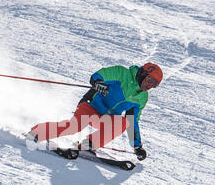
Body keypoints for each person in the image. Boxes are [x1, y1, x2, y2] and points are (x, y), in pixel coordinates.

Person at [25, 63, 163, 161]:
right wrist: (98, 83)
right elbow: (98, 75)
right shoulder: (122, 74)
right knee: (74, 127)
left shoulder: (142, 97)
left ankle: (88, 145)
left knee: (124, 122)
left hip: (106, 119)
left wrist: (137, 146)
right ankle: (36, 132)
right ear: (142, 73)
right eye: (150, 80)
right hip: (91, 106)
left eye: (155, 84)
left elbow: (132, 121)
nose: (150, 85)